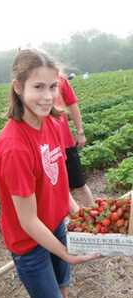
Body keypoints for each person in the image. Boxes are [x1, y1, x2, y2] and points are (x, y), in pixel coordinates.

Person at [0, 49, 99, 298]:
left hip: (54, 226)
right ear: (18, 87)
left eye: (53, 86)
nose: (48, 96)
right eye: (38, 87)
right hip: (29, 242)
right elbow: (28, 221)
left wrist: (84, 219)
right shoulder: (14, 146)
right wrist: (67, 253)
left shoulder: (52, 123)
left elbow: (60, 185)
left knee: (62, 293)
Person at [54, 74, 95, 207]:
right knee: (59, 190)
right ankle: (71, 224)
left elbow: (72, 104)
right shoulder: (26, 83)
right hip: (45, 148)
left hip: (65, 142)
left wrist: (80, 131)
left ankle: (94, 218)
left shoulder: (59, 78)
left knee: (79, 184)